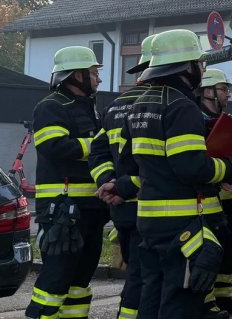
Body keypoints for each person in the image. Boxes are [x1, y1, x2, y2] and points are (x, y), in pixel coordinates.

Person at [129, 29, 232, 319]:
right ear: (186, 67)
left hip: (149, 220)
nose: (202, 69)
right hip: (182, 223)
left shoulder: (141, 104)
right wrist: (227, 168)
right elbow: (191, 167)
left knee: (151, 299)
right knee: (181, 303)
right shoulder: (181, 106)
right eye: (199, 63)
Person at [26, 46, 109, 319]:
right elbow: (54, 146)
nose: (98, 79)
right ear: (77, 75)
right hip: (62, 210)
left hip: (92, 208)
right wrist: (97, 146)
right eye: (94, 73)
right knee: (56, 278)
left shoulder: (90, 109)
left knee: (80, 281)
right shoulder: (51, 106)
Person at [88, 35, 154, 319]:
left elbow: (98, 152)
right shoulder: (159, 104)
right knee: (145, 277)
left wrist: (108, 182)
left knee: (135, 274)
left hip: (121, 207)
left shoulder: (115, 105)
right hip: (151, 206)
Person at [197, 68, 232, 316]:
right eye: (223, 89)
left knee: (229, 249)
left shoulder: (223, 120)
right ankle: (207, 302)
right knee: (209, 251)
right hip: (205, 201)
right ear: (208, 91)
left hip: (226, 200)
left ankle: (223, 295)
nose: (228, 94)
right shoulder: (195, 119)